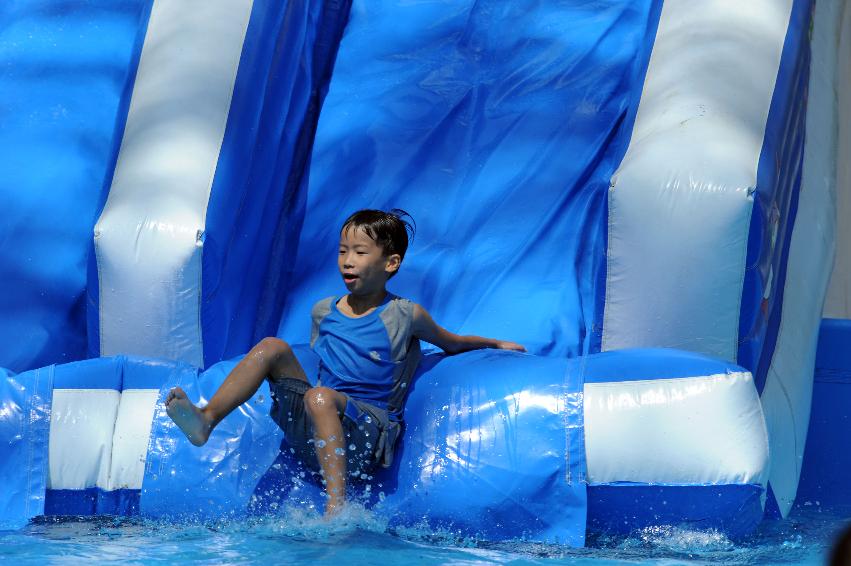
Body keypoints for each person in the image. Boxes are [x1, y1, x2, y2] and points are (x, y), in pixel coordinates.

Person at [164, 209, 525, 515]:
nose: (347, 261)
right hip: (317, 417)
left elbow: (453, 342)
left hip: (366, 430)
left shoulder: (404, 314)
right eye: (342, 251)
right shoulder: (323, 311)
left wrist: (495, 342)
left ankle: (337, 508)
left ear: (391, 263)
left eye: (360, 252)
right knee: (272, 346)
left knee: (321, 397)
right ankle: (206, 420)